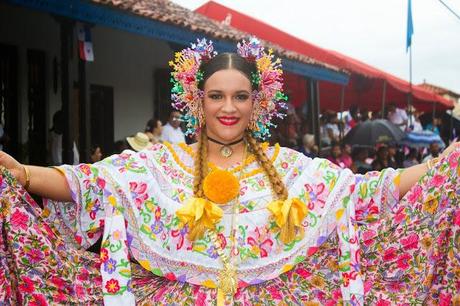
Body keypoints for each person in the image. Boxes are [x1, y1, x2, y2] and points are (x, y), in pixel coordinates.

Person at [0, 38, 459, 305]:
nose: (228, 107)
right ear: (198, 101)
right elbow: (87, 183)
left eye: (240, 96)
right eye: (216, 96)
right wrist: (22, 175)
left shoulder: (290, 168)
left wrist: (443, 166)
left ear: (257, 104)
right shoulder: (159, 164)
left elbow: (366, 192)